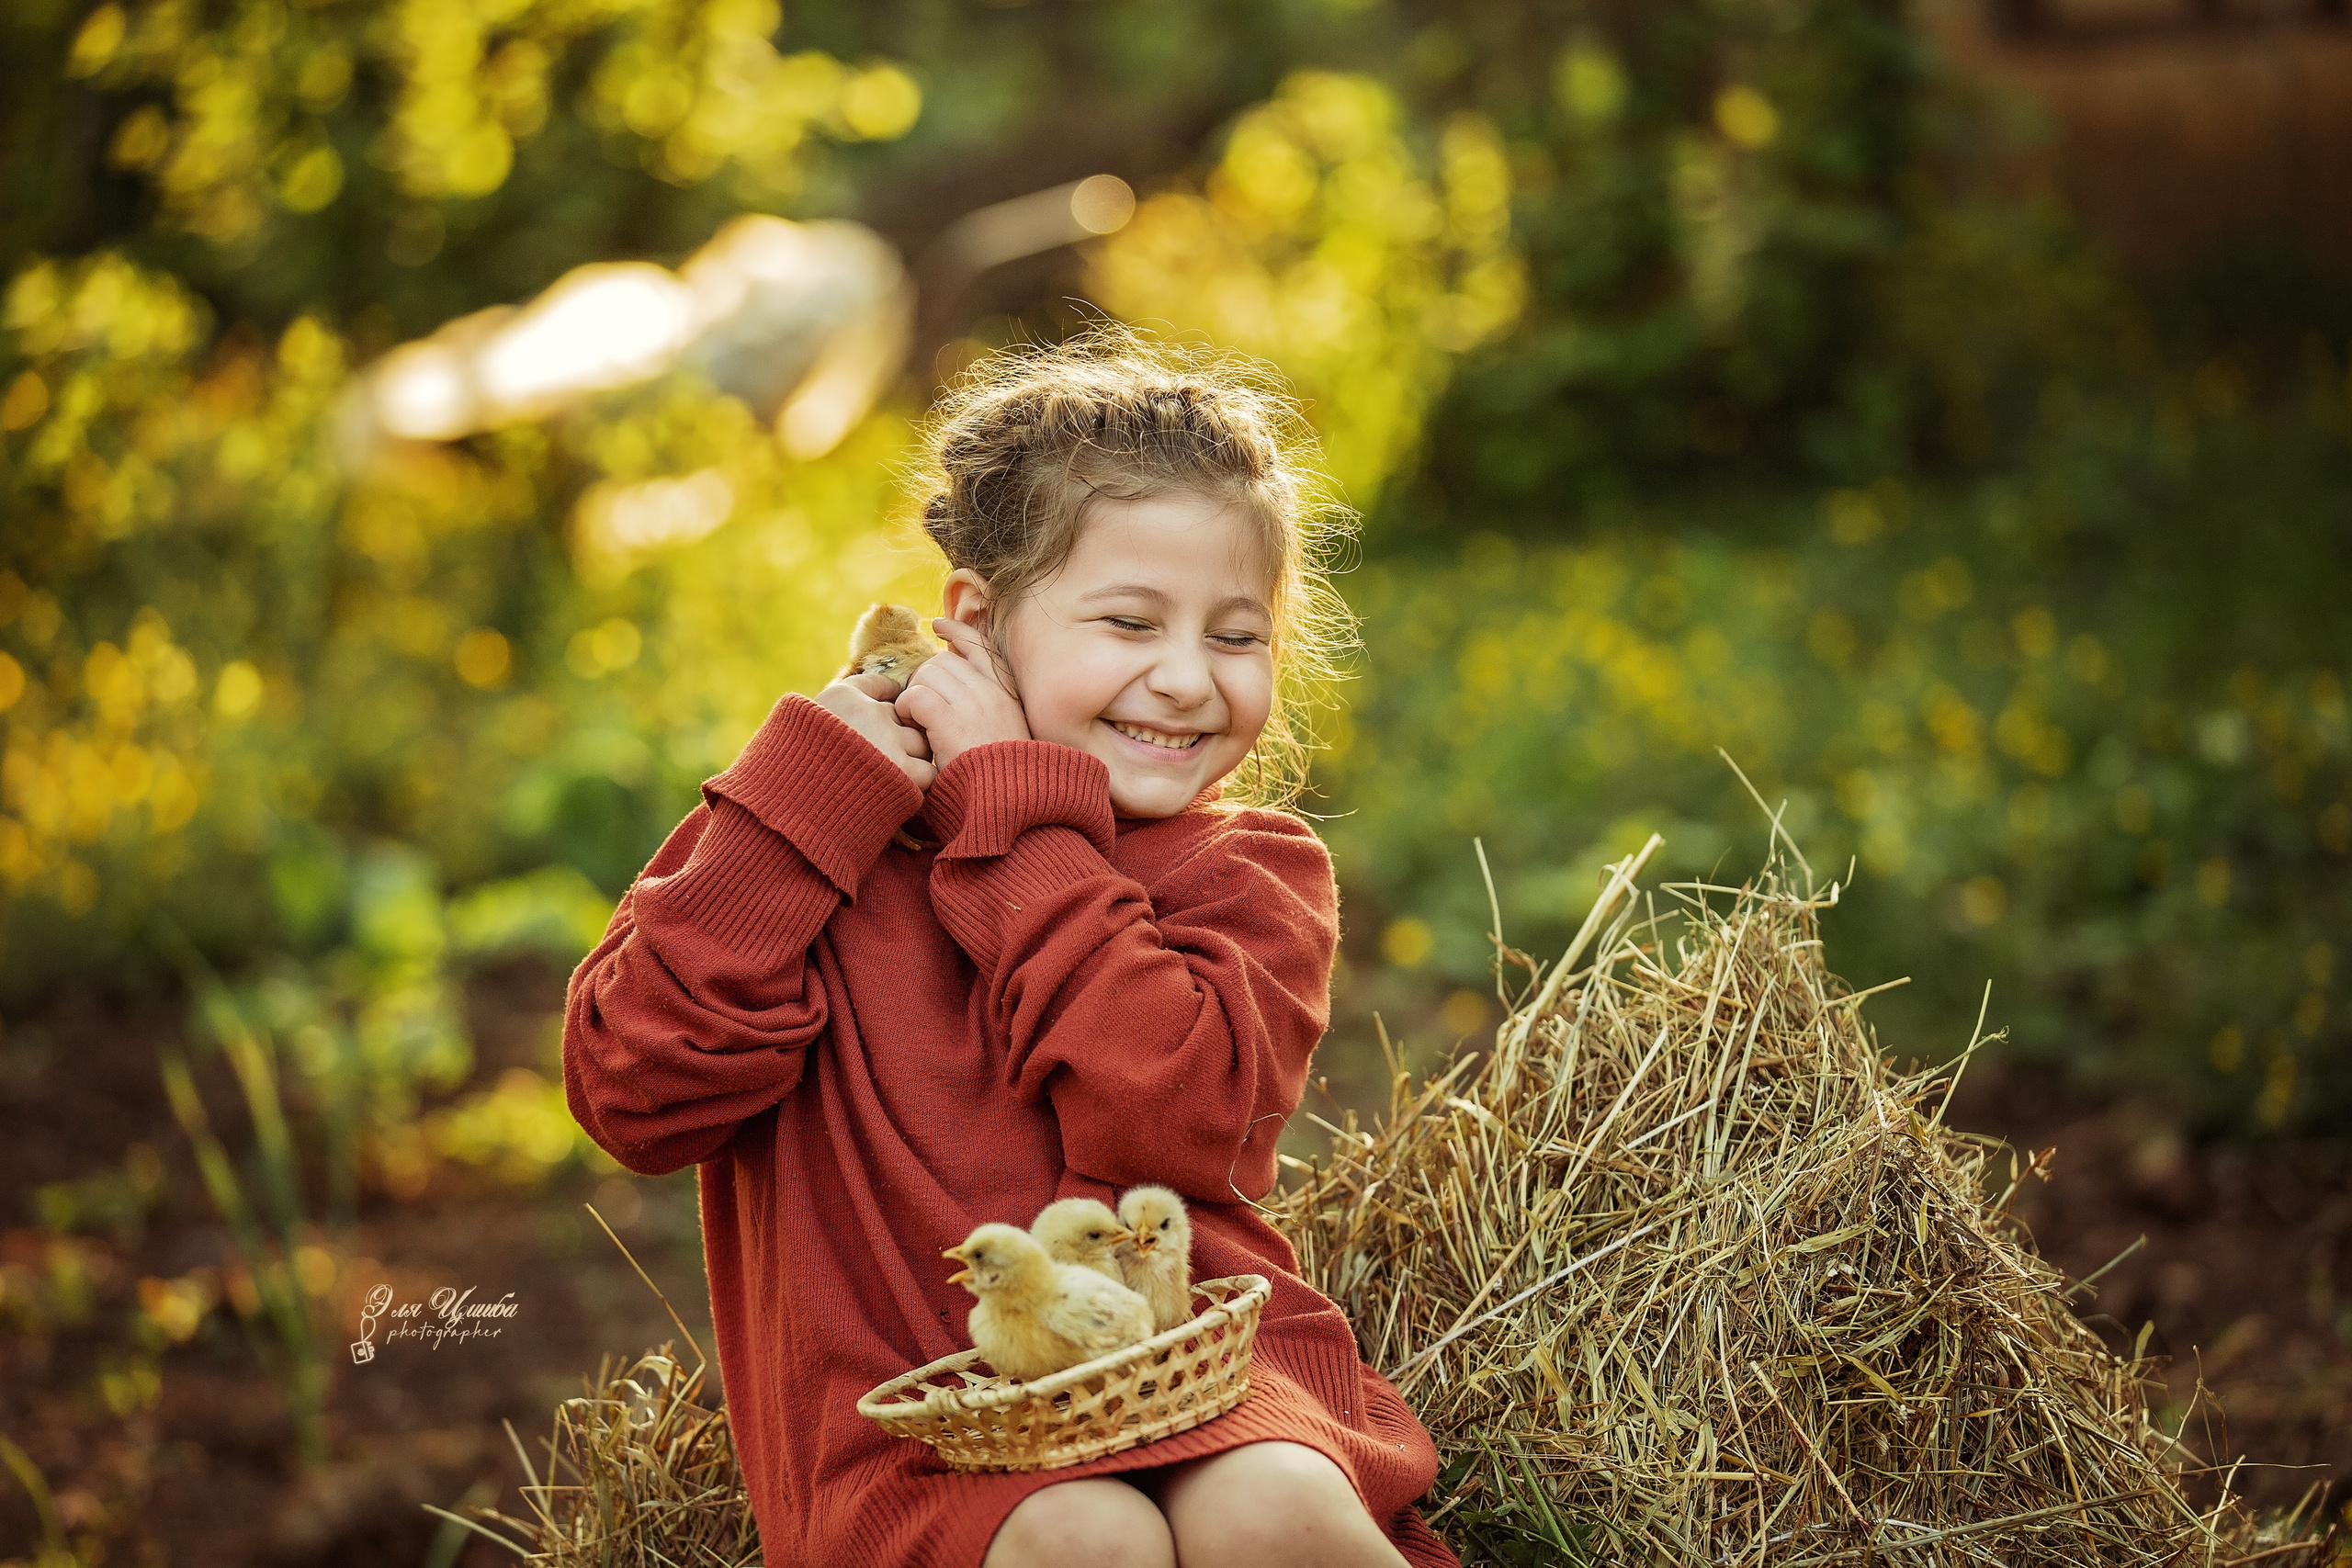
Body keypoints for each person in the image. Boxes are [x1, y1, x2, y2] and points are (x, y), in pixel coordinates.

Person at [563, 331, 1457, 1568]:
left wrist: (1014, 818)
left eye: (1236, 636)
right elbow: (636, 1093)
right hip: (911, 1425)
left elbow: (1172, 1119)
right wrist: (802, 799)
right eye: (1130, 622)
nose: (1187, 680)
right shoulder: (817, 842)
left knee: (1273, 1511)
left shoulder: (1251, 874)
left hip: (1193, 1370)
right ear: (977, 626)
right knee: (1087, 1539)